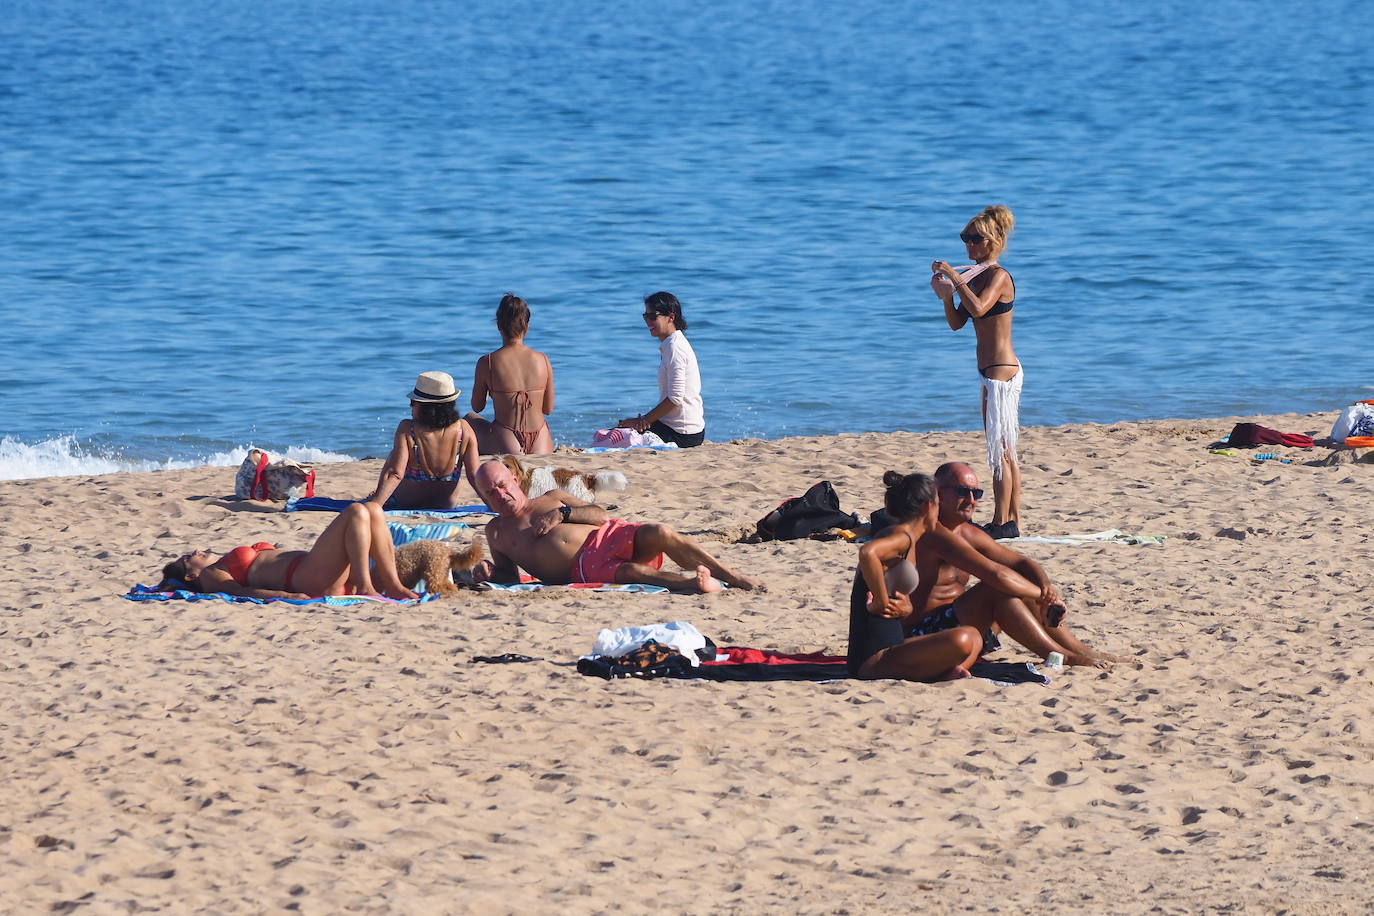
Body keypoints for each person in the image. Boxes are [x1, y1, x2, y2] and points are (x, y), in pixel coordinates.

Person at [907, 461, 1127, 668]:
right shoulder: (932, 532)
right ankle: (1063, 656)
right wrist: (1041, 596)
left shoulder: (969, 533)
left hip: (961, 625)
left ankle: (1079, 650)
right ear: (938, 493)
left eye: (977, 493)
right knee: (998, 588)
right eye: (963, 492)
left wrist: (1045, 587)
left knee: (1019, 581)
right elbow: (997, 576)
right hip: (923, 635)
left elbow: (1022, 562)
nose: (972, 500)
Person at [470, 459, 760, 592]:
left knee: (661, 532)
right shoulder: (496, 532)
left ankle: (731, 575)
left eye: (502, 485)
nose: (500, 494)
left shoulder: (552, 497)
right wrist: (489, 573)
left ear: (514, 480)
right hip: (582, 567)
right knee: (635, 572)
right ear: (484, 497)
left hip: (607, 535)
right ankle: (692, 584)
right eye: (491, 492)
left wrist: (563, 513)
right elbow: (509, 577)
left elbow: (600, 515)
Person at [931, 205, 1023, 539]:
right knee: (1005, 449)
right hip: (989, 371)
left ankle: (1002, 522)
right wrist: (945, 297)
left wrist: (955, 278)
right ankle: (1010, 520)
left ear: (992, 241)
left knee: (1000, 451)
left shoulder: (998, 277)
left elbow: (980, 307)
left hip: (1002, 370)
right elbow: (959, 322)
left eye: (975, 239)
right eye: (965, 239)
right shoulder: (977, 276)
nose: (968, 246)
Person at [847, 471, 983, 681]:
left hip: (894, 646)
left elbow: (905, 599)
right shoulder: (899, 536)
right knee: (963, 638)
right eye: (938, 504)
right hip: (873, 658)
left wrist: (906, 607)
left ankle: (946, 674)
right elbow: (868, 552)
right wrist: (881, 602)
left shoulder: (910, 540)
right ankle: (941, 673)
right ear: (929, 507)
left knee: (974, 635)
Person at [157, 502, 417, 600]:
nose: (194, 550)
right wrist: (285, 596)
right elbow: (242, 592)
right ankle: (365, 586)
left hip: (321, 572)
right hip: (304, 577)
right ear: (190, 576)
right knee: (355, 512)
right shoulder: (211, 576)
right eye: (186, 558)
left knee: (373, 509)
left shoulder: (222, 563)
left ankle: (391, 584)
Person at [366, 371, 480, 510]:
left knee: (394, 457)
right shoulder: (464, 429)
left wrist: (376, 504)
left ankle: (378, 496)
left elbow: (396, 473)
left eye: (413, 403)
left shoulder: (408, 429)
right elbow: (474, 475)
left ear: (421, 406)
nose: (410, 407)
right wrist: (492, 505)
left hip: (408, 502)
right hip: (445, 504)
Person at [465, 293, 556, 455]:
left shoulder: (488, 362)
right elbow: (548, 409)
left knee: (468, 419)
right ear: (527, 327)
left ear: (499, 326)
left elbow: (477, 407)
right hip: (541, 443)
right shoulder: (543, 359)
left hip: (507, 443)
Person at [617, 291, 705, 448]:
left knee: (615, 435)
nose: (648, 321)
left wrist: (643, 421)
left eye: (653, 317)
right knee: (620, 429)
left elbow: (675, 398)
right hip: (682, 428)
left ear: (671, 317)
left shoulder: (675, 348)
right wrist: (644, 421)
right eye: (645, 316)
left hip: (683, 434)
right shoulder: (672, 344)